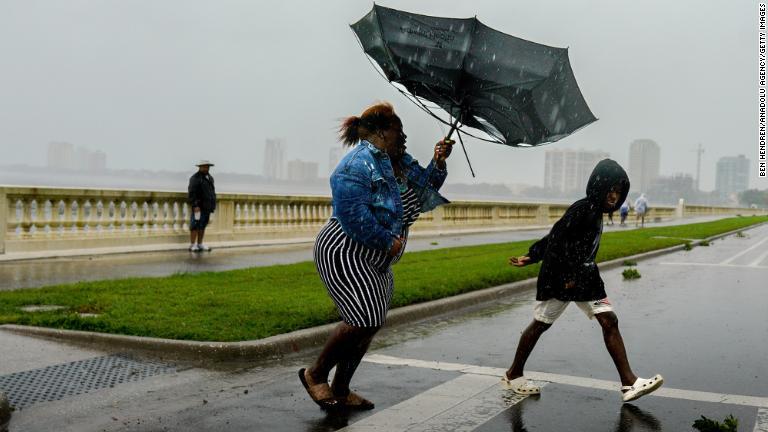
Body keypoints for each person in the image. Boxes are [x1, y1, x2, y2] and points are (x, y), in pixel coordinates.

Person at [299, 102, 453, 411]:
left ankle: (341, 388)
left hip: (377, 255)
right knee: (363, 318)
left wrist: (438, 162)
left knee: (371, 322)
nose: (404, 137)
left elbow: (424, 190)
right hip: (345, 248)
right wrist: (387, 241)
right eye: (399, 130)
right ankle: (316, 374)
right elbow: (352, 214)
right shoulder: (356, 164)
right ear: (382, 132)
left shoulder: (401, 161)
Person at [503, 159, 663, 403]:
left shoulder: (596, 212)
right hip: (564, 278)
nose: (614, 197)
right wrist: (537, 258)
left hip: (586, 277)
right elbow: (556, 237)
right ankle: (514, 374)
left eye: (618, 193)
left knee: (609, 320)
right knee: (540, 324)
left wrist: (533, 256)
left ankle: (629, 382)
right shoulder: (583, 209)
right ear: (599, 188)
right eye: (610, 190)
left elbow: (562, 239)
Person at [187, 160, 216, 252]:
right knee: (195, 225)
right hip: (198, 207)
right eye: (204, 166)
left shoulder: (210, 178)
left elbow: (211, 192)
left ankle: (200, 244)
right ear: (199, 167)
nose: (206, 168)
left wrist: (212, 205)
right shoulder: (195, 178)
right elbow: (192, 193)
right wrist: (195, 205)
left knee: (202, 226)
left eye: (207, 167)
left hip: (207, 207)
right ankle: (192, 245)